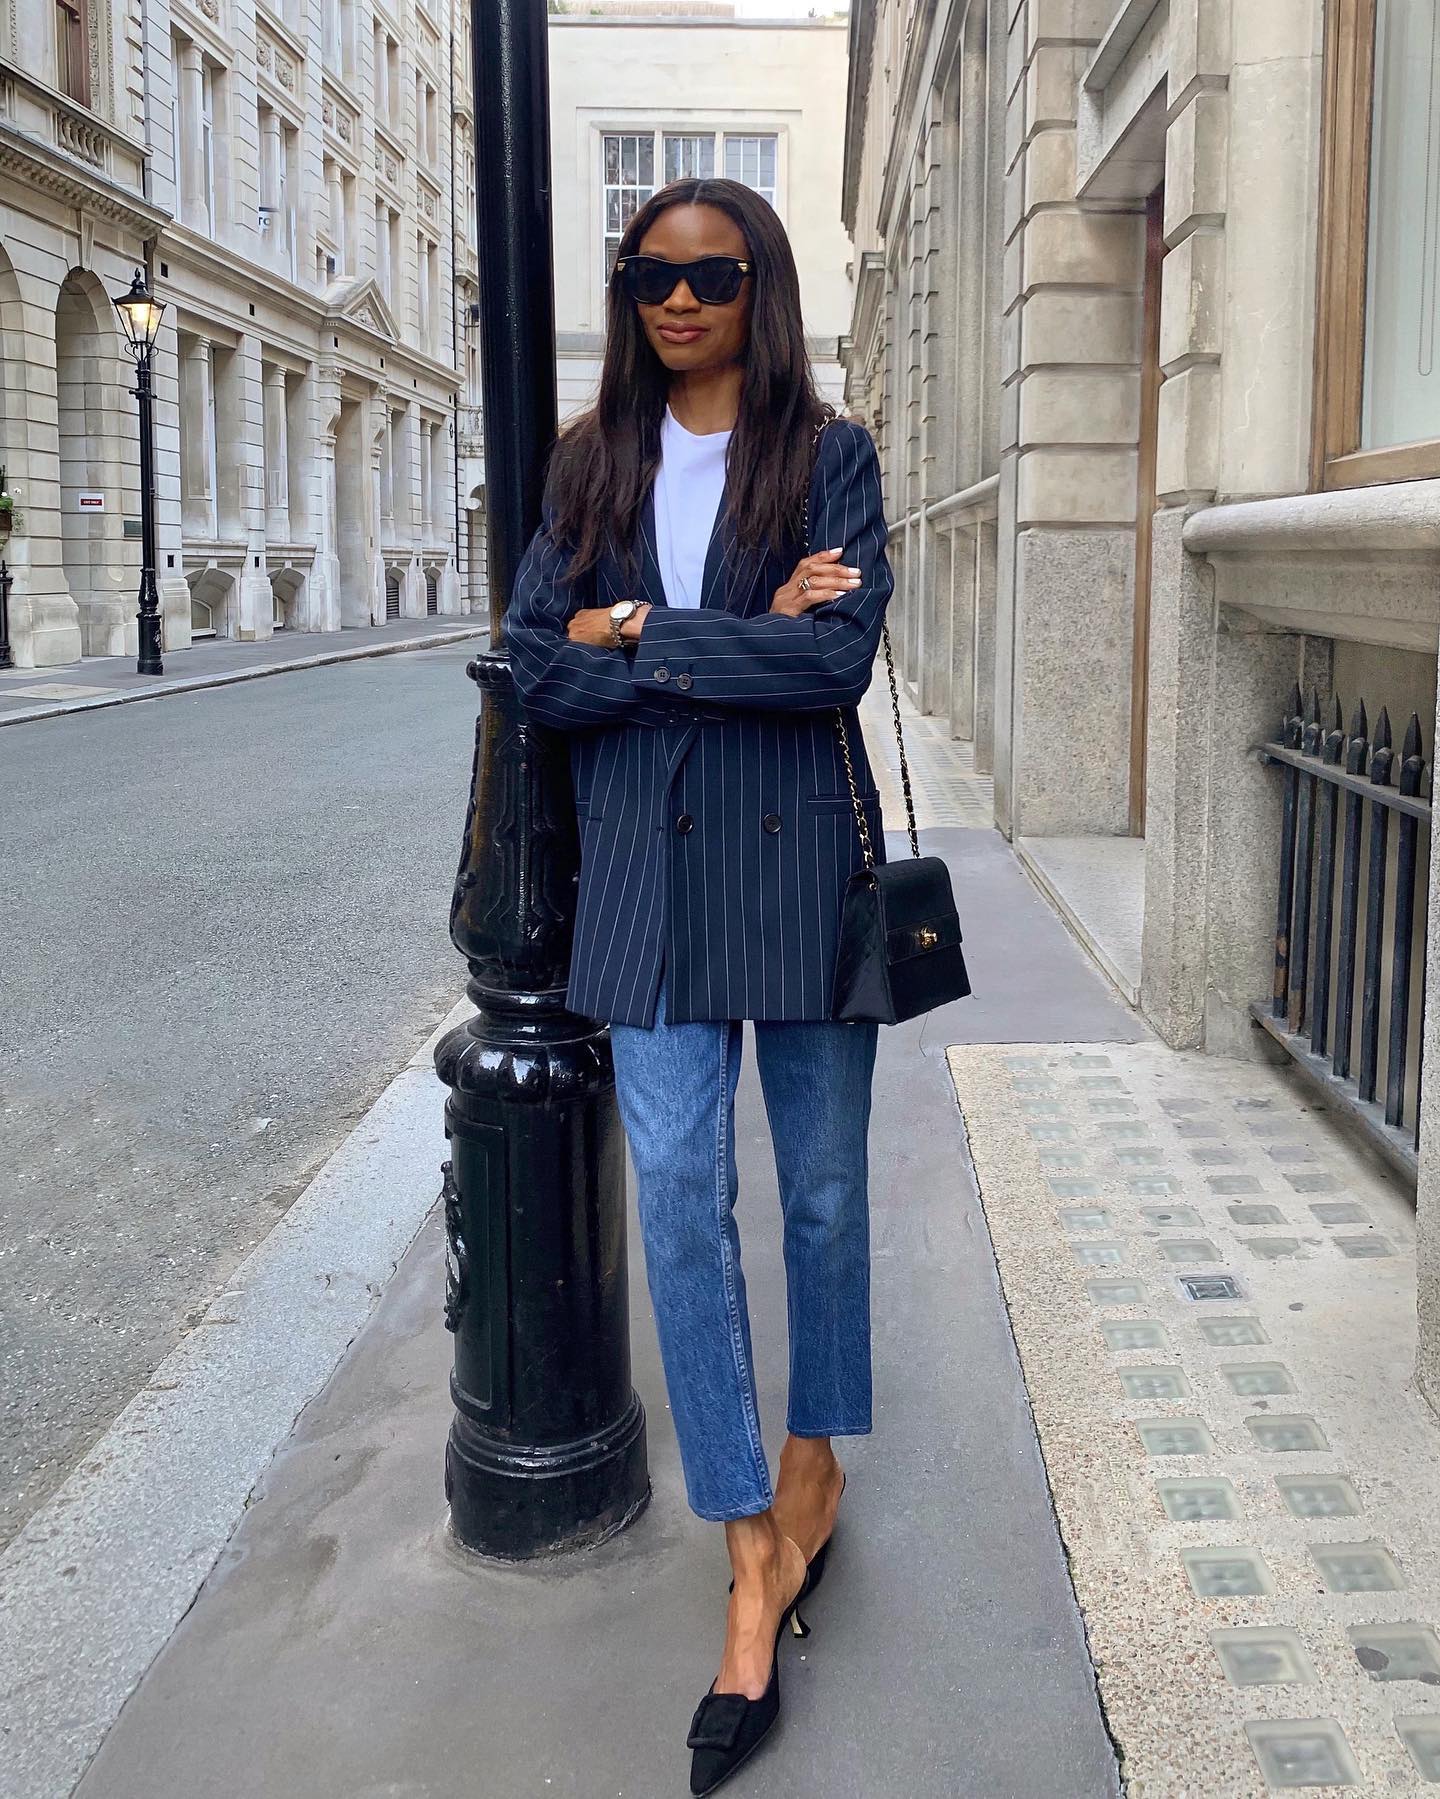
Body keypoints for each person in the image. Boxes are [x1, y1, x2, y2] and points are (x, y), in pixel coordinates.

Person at [505, 175, 893, 1795]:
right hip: (645, 895)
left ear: (760, 288)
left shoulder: (829, 456)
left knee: (820, 1195)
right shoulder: (590, 461)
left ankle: (816, 1462)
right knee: (676, 1195)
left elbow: (834, 662)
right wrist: (708, 633)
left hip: (796, 879)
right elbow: (534, 668)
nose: (679, 300)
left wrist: (635, 638)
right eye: (652, 277)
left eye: (712, 276)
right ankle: (748, 1551)